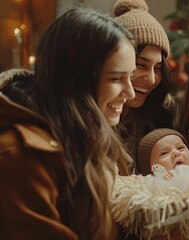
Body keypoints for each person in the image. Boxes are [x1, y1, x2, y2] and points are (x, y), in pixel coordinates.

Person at [0, 7, 136, 240]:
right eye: (116, 78)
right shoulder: (18, 156)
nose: (130, 93)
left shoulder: (93, 138)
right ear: (75, 81)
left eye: (130, 76)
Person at [113, 0, 175, 163]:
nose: (151, 79)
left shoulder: (162, 111)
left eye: (157, 68)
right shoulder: (92, 117)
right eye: (140, 64)